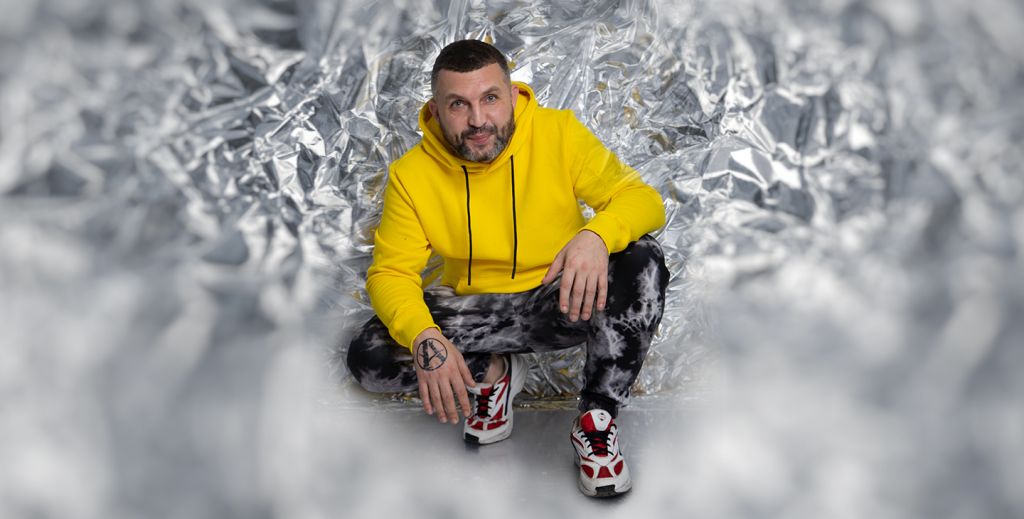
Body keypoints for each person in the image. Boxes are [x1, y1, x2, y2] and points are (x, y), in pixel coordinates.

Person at [346, 39, 669, 498]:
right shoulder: (410, 175)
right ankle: (492, 373)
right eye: (458, 104)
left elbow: (642, 199)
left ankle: (597, 419)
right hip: (477, 312)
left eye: (490, 98)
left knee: (641, 258)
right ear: (436, 111)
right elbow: (391, 273)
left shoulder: (558, 132)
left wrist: (596, 236)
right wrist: (424, 337)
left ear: (513, 95)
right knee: (371, 358)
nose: (478, 120)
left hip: (561, 300)